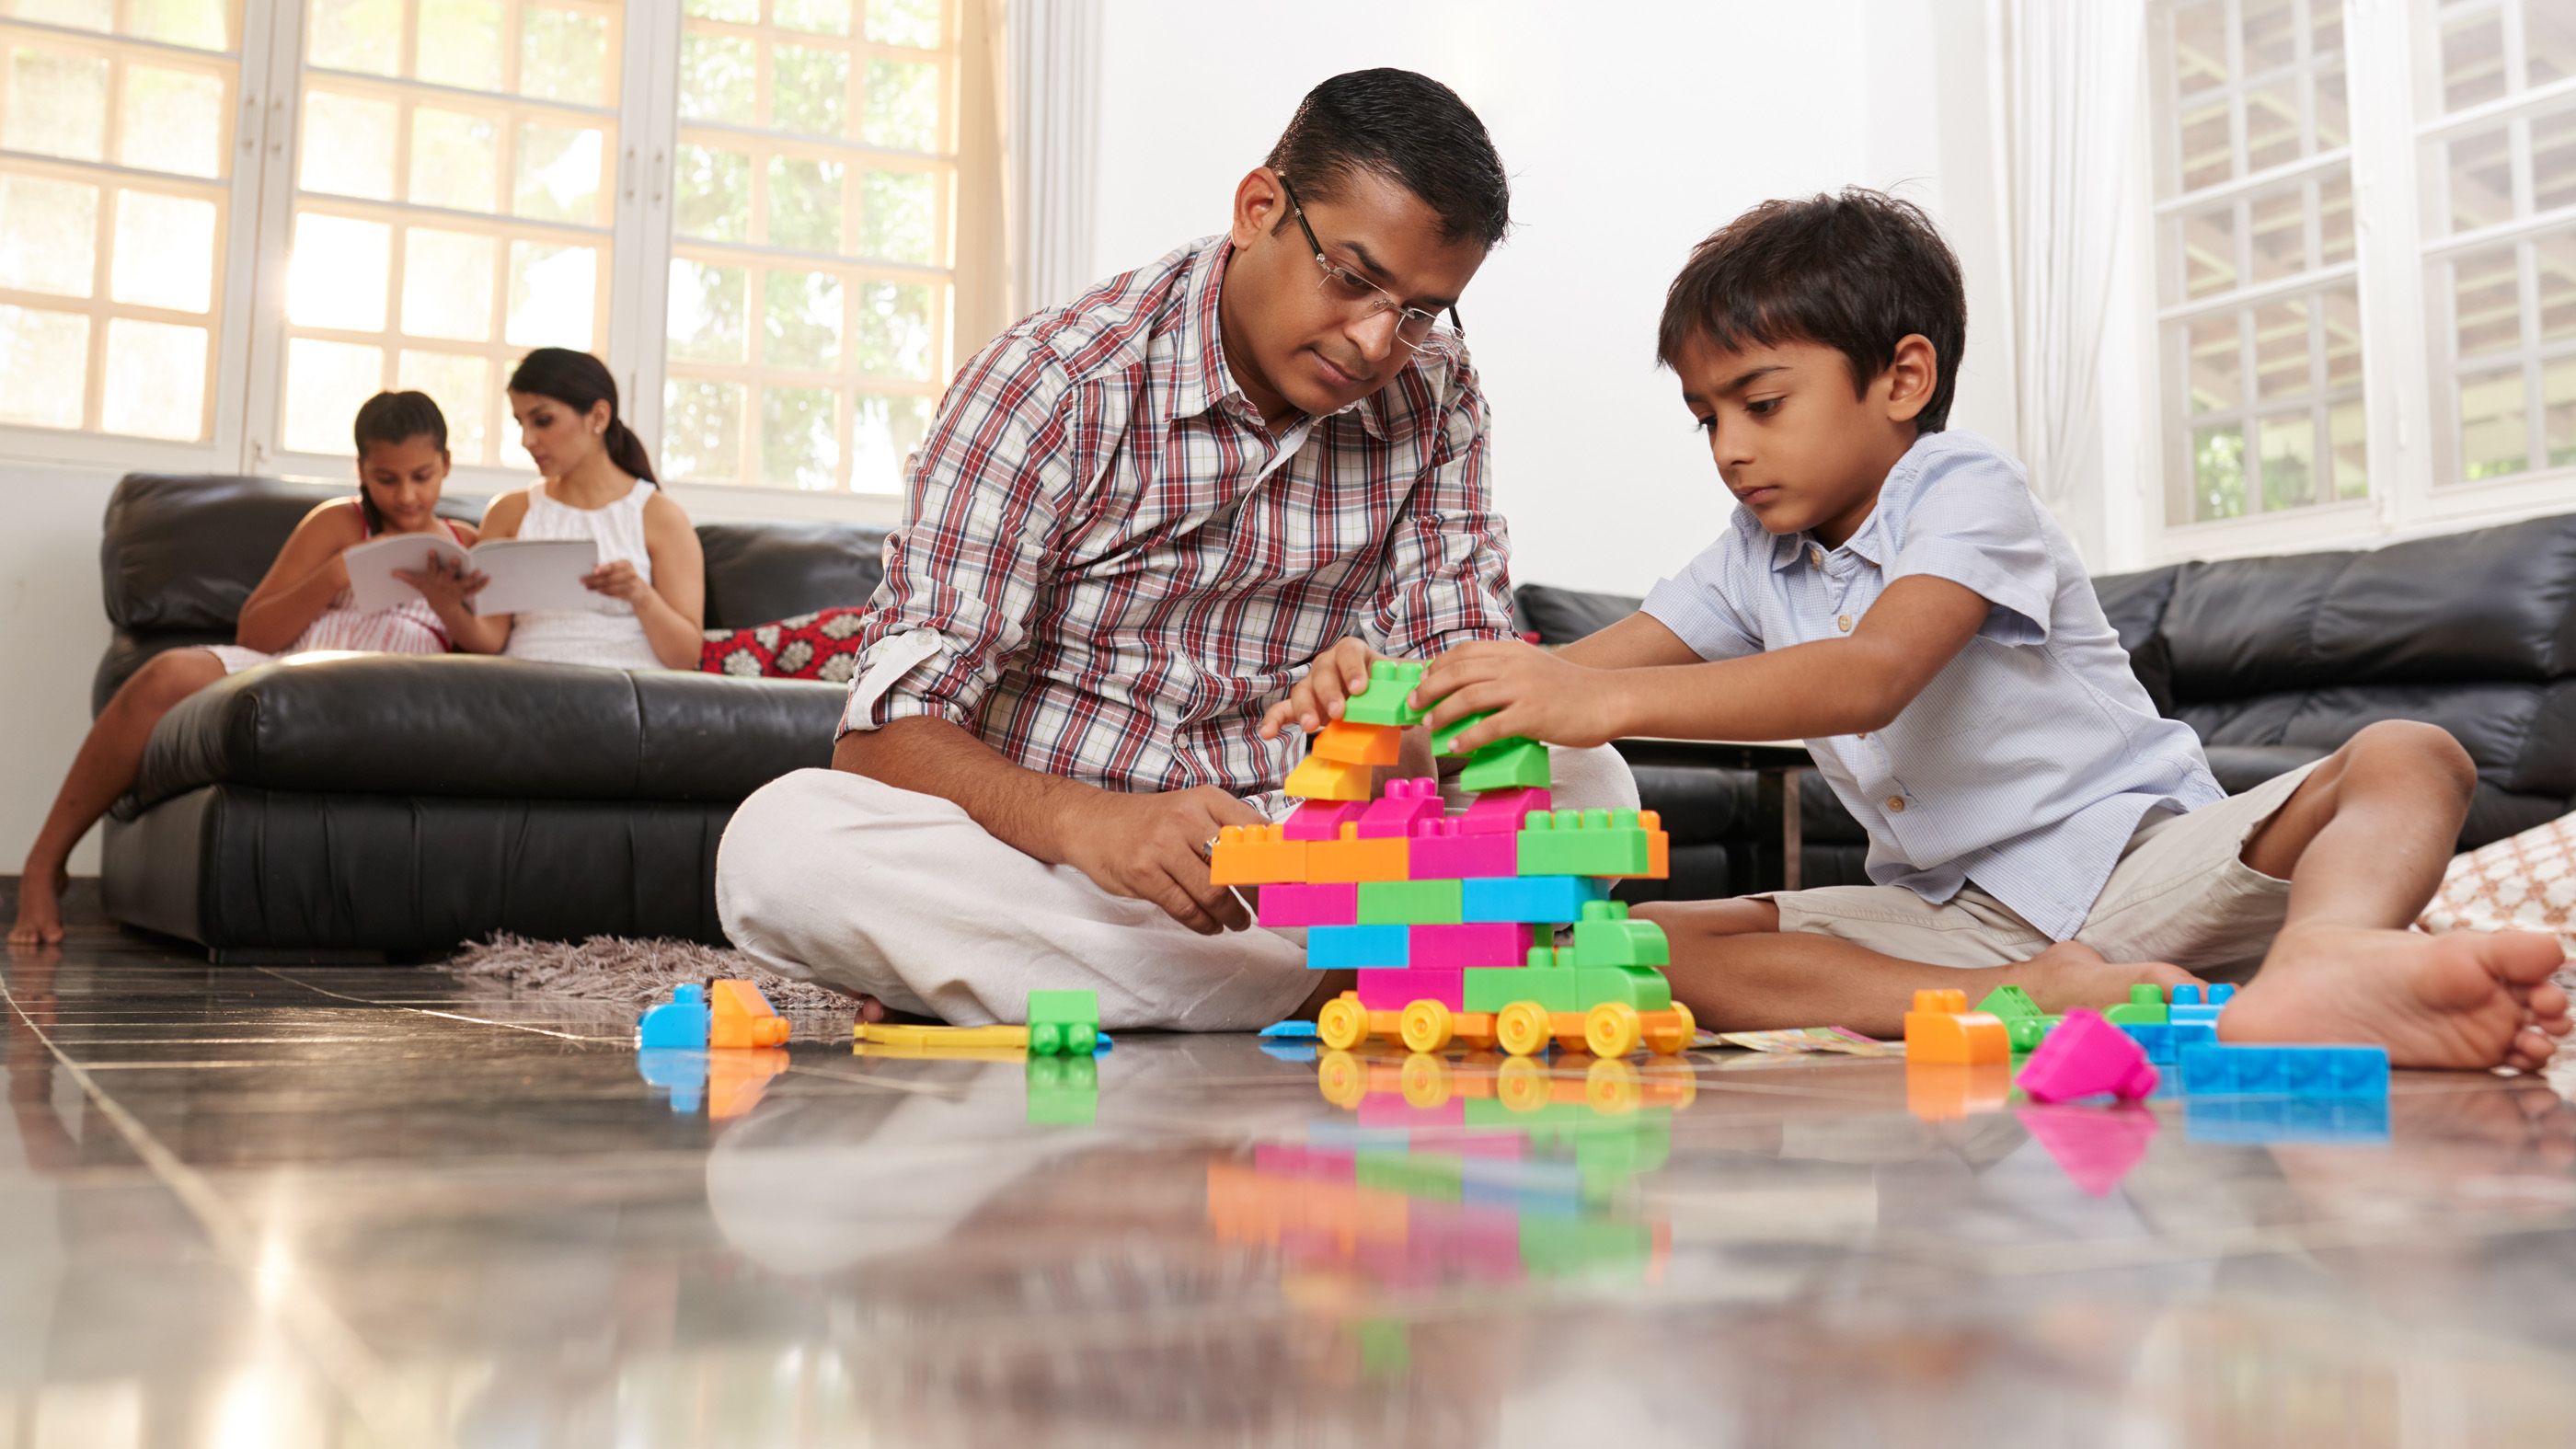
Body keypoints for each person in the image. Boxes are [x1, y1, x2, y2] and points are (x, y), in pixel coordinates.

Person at [1403, 189, 2570, 1072]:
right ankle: (2030, 996)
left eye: (1762, 403)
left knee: (2412, 754)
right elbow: (1556, 674)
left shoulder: (1964, 488)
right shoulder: (1749, 553)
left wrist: (1598, 706)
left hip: (2135, 864)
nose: (1730, 448)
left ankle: (2323, 961)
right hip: (1954, 920)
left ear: (1902, 377)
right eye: (1705, 418)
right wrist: (1395, 704)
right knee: (1652, 940)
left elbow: (1871, 675)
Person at [717, 69, 1640, 1029]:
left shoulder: (1435, 392)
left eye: (1417, 311)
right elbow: (883, 735)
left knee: (1591, 784)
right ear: (1258, 208)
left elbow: (1467, 699)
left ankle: (1090, 982)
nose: (1375, 341)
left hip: (1299, 855)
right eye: (1355, 279)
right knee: (781, 847)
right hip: (1060, 857)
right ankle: (1342, 983)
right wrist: (1091, 826)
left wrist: (1380, 720)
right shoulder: (1056, 383)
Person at [12, 392, 489, 945]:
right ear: (361, 469)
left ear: (446, 466)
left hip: (396, 689)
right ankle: (44, 862)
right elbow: (254, 632)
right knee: (164, 673)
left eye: (422, 476)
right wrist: (336, 575)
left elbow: (488, 655)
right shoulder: (339, 522)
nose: (406, 496)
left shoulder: (468, 544)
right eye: (386, 478)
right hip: (292, 669)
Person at [437, 349, 707, 671]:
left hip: (627, 695)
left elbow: (685, 658)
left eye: (543, 420)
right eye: (520, 422)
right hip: (526, 691)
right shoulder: (509, 513)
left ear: (598, 417)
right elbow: (490, 642)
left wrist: (641, 596)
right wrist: (445, 604)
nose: (527, 439)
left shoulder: (660, 517)